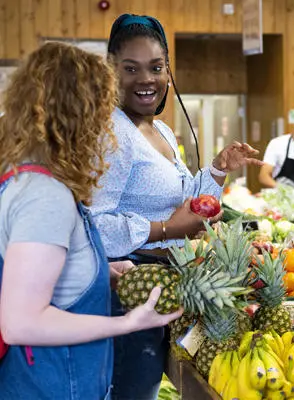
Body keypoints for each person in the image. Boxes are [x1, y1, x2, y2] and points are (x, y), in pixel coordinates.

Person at [89, 14, 261, 400]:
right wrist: (166, 230)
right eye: (130, 69)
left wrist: (217, 169)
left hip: (162, 286)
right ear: (111, 72)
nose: (146, 79)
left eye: (156, 67)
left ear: (169, 72)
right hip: (126, 288)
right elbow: (95, 225)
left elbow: (191, 206)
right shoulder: (110, 132)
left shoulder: (160, 129)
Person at [0, 42, 181, 399]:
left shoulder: (23, 176)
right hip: (52, 386)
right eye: (100, 112)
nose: (105, 127)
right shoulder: (45, 195)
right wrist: (127, 322)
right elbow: (21, 323)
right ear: (76, 116)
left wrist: (101, 271)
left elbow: (40, 269)